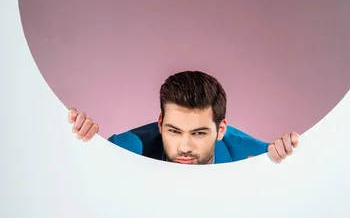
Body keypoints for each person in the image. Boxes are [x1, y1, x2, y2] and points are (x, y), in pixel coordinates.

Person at [68, 70, 299, 164]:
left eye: (198, 133)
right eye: (174, 131)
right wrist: (83, 147)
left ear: (221, 130)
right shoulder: (124, 149)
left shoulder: (254, 158)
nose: (184, 147)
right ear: (160, 124)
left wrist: (290, 159)